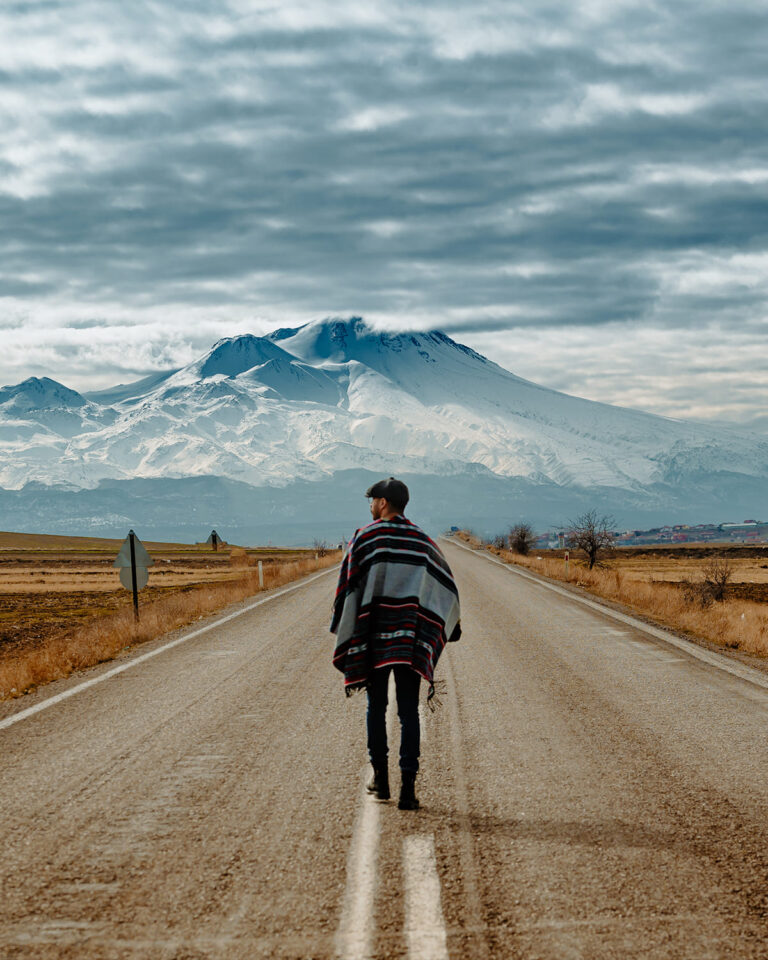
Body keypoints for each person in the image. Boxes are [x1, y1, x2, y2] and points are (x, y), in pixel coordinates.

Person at [330, 477, 461, 810]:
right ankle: (408, 789)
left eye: (372, 500)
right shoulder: (422, 541)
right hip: (410, 641)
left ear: (383, 503)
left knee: (377, 708)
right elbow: (446, 586)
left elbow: (347, 588)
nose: (370, 506)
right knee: (408, 712)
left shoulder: (365, 537)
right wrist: (449, 626)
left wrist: (343, 626)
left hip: (373, 640)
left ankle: (382, 781)